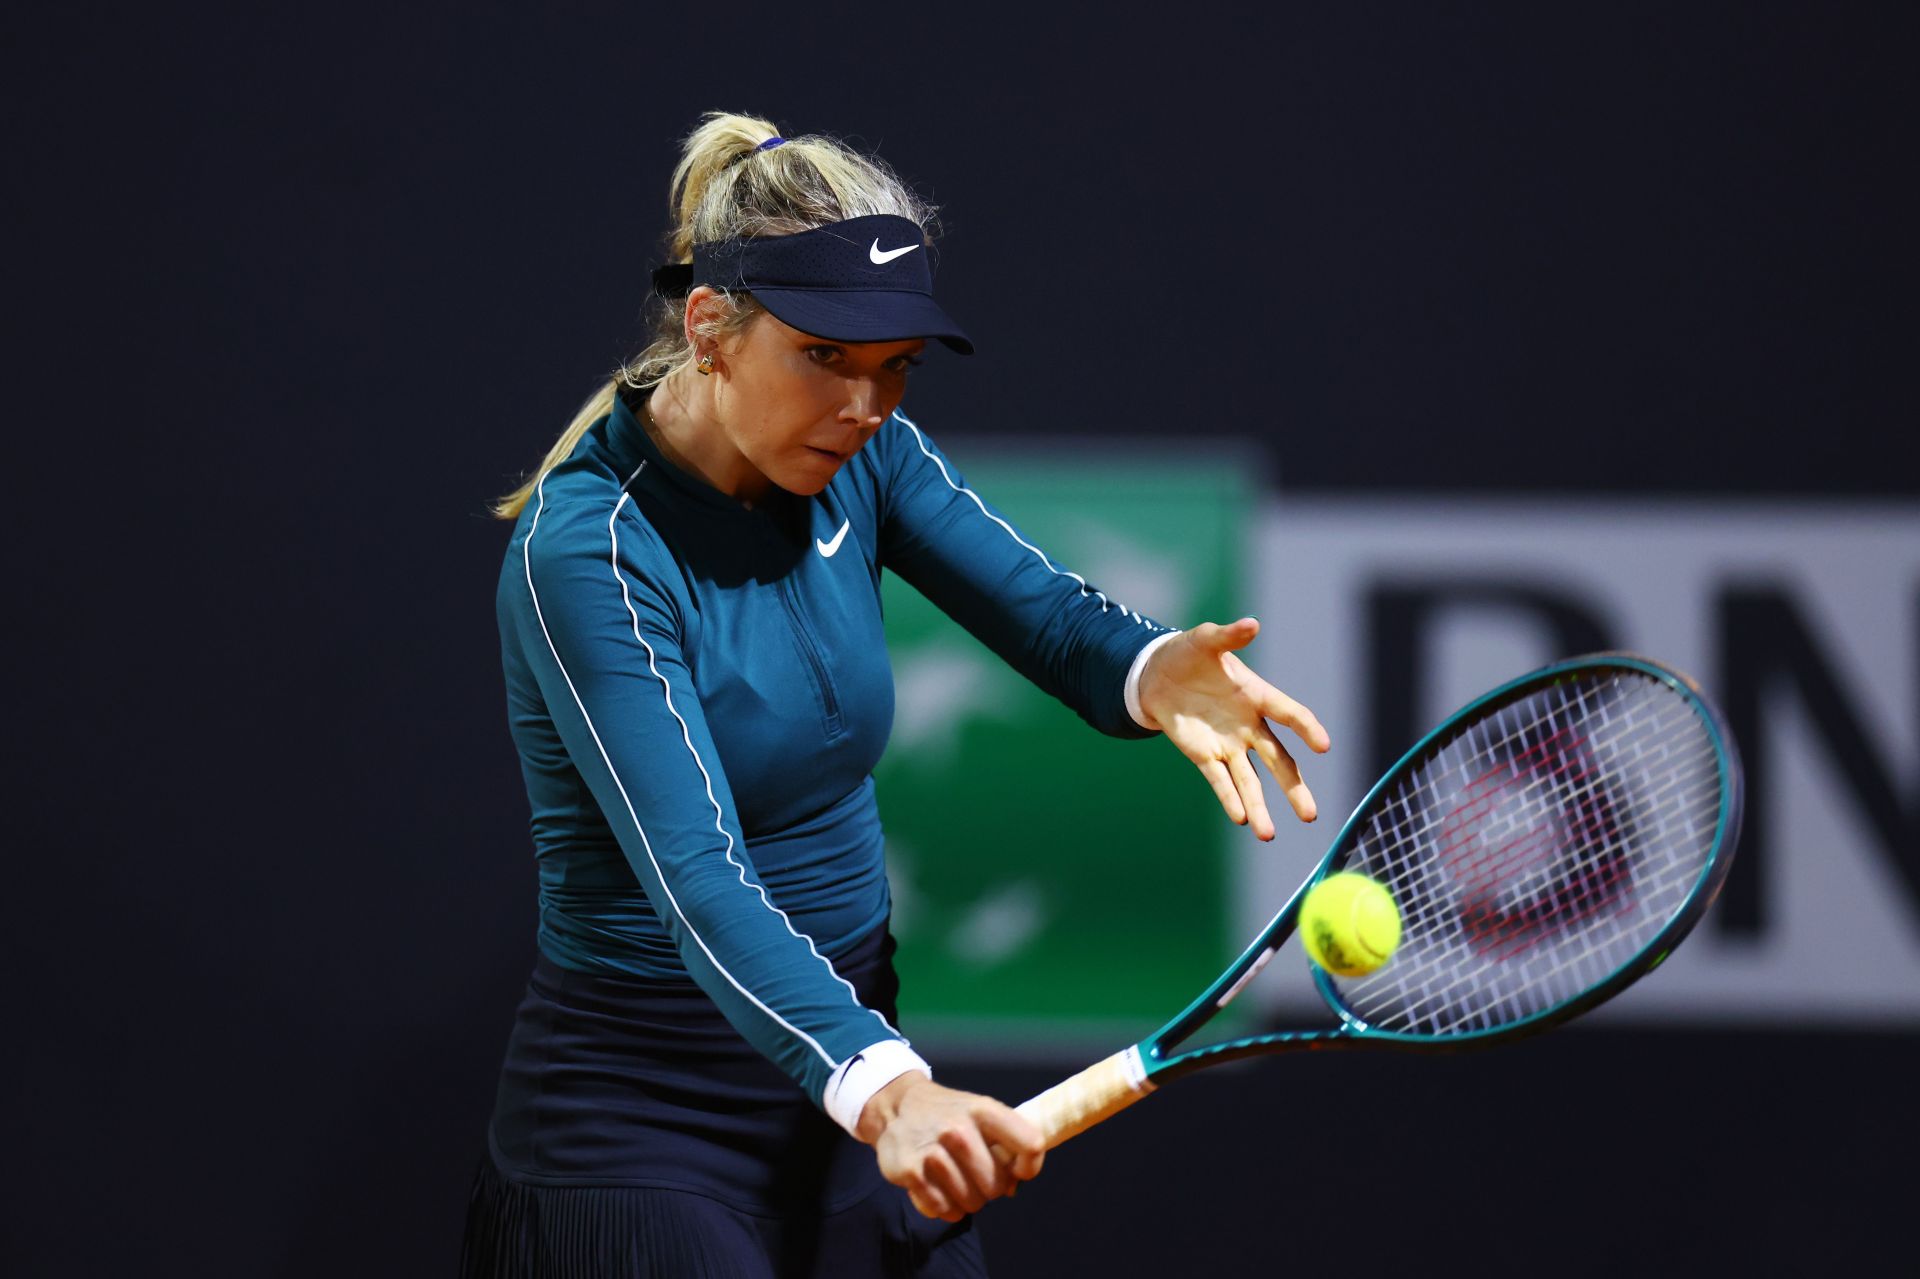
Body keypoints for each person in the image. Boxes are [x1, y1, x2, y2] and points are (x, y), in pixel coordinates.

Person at [460, 111, 1331, 1278]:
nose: (866, 407)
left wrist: (1147, 665)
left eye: (894, 367)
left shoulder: (867, 453)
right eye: (824, 356)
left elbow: (1056, 617)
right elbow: (700, 881)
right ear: (711, 329)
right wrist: (888, 1090)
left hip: (848, 1086)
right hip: (644, 1130)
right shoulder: (592, 553)